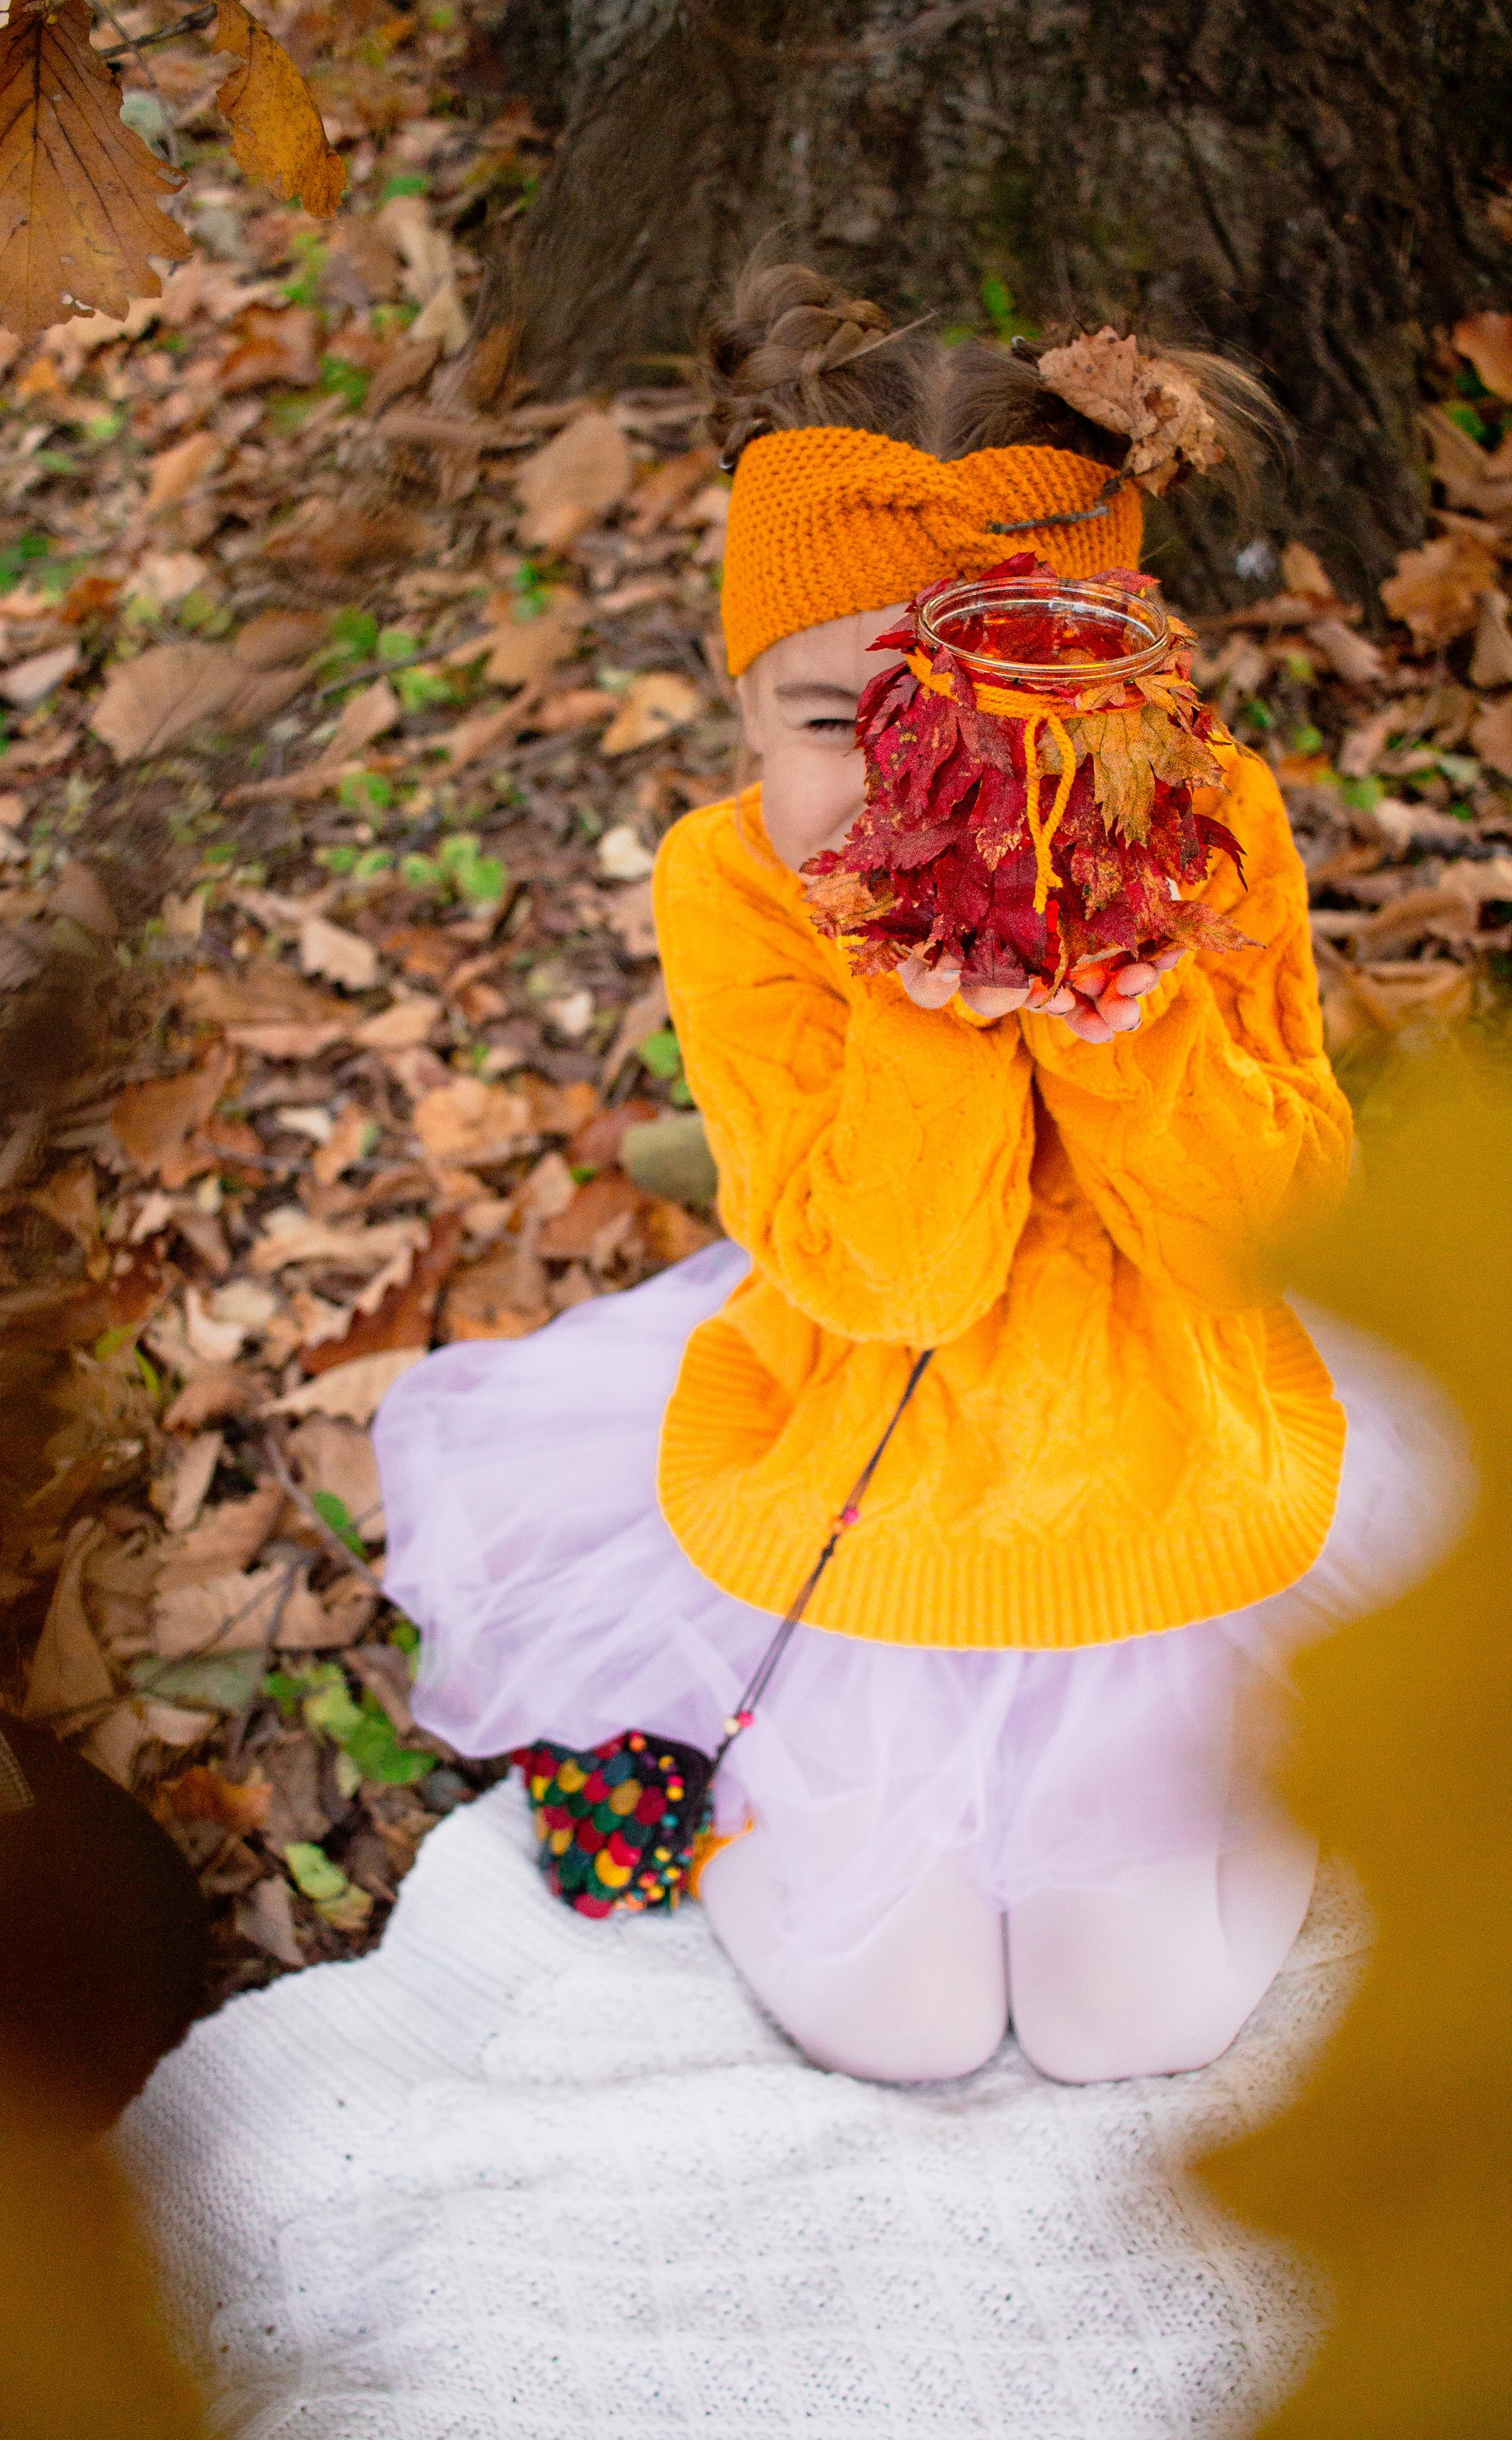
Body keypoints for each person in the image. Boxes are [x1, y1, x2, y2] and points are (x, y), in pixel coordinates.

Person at [375, 263, 1459, 2086]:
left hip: (1154, 1466)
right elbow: (891, 1281)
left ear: (1122, 705)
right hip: (872, 1474)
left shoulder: (1216, 837)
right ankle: (747, 1801)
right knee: (905, 2030)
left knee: (1145, 2025)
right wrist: (937, 1013)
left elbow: (1259, 1233)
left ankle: (1268, 1780)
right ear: (741, 721)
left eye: (998, 719)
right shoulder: (734, 888)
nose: (910, 785)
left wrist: (1131, 1003)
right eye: (831, 719)